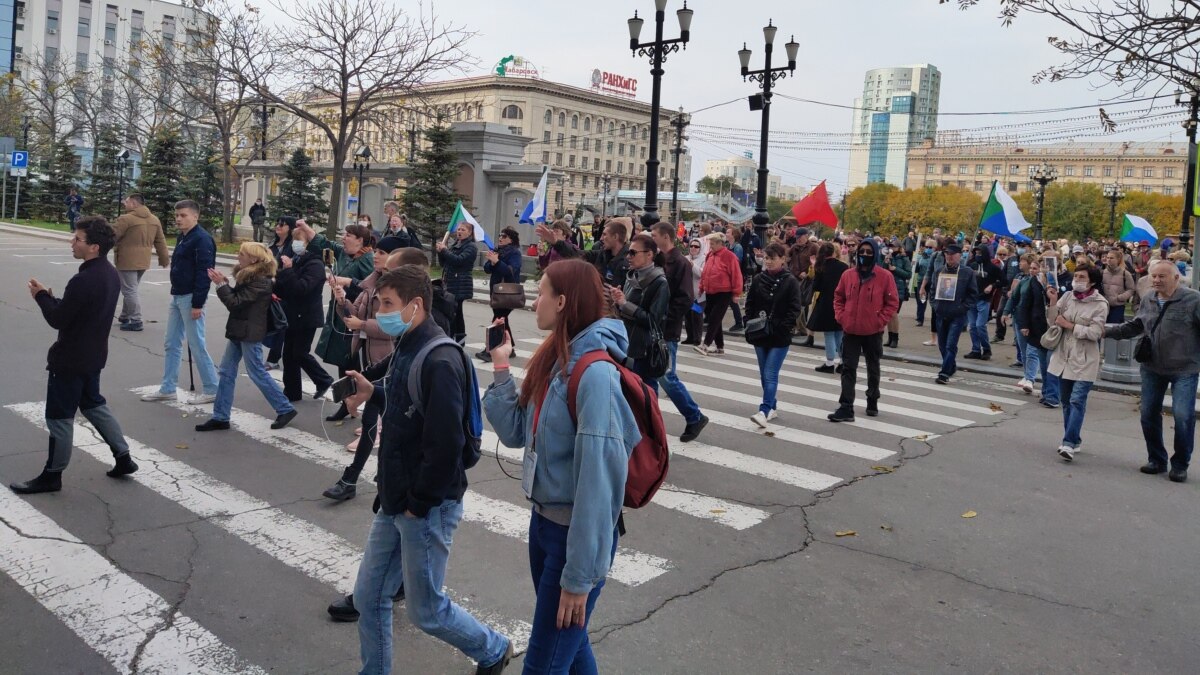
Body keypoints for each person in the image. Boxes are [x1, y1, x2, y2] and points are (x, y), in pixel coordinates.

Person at [340, 267, 514, 675]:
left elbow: (446, 445)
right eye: (380, 302)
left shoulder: (439, 359)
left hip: (425, 505)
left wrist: (418, 505)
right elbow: (409, 404)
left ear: (415, 306)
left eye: (388, 304)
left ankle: (492, 649)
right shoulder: (408, 344)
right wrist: (374, 392)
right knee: (369, 597)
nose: (381, 312)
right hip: (397, 496)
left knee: (427, 610)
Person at [482, 259, 639, 675]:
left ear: (564, 301)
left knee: (543, 665)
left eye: (543, 292)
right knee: (570, 649)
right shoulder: (556, 358)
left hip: (575, 537)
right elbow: (517, 433)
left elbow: (599, 487)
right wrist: (501, 366)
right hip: (544, 527)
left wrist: (580, 577)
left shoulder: (595, 376)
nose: (535, 301)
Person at [11, 216, 139, 494]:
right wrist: (50, 296)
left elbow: (58, 319)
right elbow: (76, 312)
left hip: (69, 359)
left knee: (59, 417)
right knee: (94, 405)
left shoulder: (84, 279)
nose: (72, 242)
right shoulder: (108, 273)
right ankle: (124, 457)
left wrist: (41, 297)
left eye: (77, 239)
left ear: (93, 247)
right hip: (93, 356)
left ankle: (52, 475)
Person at [320, 238, 408, 503]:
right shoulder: (371, 284)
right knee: (375, 418)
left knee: (377, 419)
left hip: (388, 357)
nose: (377, 257)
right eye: (378, 252)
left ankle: (356, 478)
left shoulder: (398, 291)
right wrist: (342, 301)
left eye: (382, 253)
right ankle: (355, 479)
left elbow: (392, 326)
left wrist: (363, 323)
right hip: (372, 360)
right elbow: (353, 316)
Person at [1105, 260, 1200, 481]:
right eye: (1153, 276)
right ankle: (1157, 459)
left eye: (1161, 276)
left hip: (1185, 368)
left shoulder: (1193, 300)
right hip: (1152, 367)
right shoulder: (1148, 299)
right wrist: (1106, 332)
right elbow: (1136, 326)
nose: (1156, 280)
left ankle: (1180, 464)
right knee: (1148, 413)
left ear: (1176, 278)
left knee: (1183, 415)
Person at [194, 243, 297, 432]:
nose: (238, 256)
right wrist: (226, 284)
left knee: (256, 371)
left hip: (250, 332)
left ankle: (285, 408)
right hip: (240, 329)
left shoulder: (260, 280)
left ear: (254, 259)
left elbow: (235, 303)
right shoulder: (250, 276)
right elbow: (239, 300)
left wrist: (221, 285)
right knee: (226, 371)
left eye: (242, 254)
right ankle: (221, 416)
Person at [139, 200, 221, 404]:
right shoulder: (183, 237)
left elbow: (205, 273)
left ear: (196, 216)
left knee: (196, 344)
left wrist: (198, 303)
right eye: (177, 215)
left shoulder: (202, 239)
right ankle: (168, 388)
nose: (178, 219)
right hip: (177, 296)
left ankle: (212, 388)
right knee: (171, 343)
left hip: (191, 298)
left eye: (183, 215)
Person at [302, 221, 376, 421]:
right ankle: (347, 402)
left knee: (352, 363)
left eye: (348, 236)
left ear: (360, 240)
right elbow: (323, 244)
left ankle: (360, 403)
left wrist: (346, 284)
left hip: (354, 316)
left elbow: (369, 289)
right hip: (339, 313)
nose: (343, 238)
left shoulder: (367, 259)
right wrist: (305, 226)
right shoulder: (344, 254)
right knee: (342, 362)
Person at [647, 223, 709, 441]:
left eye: (654, 235)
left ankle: (694, 415)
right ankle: (650, 423)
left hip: (666, 329)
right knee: (650, 378)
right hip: (652, 326)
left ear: (666, 237)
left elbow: (685, 298)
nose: (651, 238)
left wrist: (665, 318)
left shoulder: (679, 262)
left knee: (666, 376)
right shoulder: (658, 259)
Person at [828, 240, 900, 422]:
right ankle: (846, 407)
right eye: (862, 251)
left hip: (872, 331)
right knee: (848, 368)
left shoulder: (885, 277)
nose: (865, 255)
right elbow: (839, 296)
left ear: (875, 254)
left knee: (873, 367)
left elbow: (892, 302)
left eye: (869, 252)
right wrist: (841, 316)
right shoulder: (848, 275)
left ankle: (872, 399)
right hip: (851, 329)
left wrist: (879, 321)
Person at [1045, 262, 1108, 462]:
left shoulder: (1100, 304)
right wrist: (1053, 302)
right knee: (1066, 402)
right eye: (1076, 276)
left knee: (1076, 400)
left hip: (1085, 359)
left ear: (1092, 282)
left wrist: (1070, 325)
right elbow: (1053, 321)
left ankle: (1069, 443)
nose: (1077, 280)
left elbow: (1096, 333)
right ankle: (1074, 438)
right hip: (1064, 356)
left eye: (1082, 277)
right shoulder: (1068, 296)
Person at [744, 243, 804, 427]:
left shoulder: (790, 281)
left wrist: (782, 326)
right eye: (767, 258)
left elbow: (795, 308)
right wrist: (750, 320)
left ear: (783, 259)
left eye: (773, 258)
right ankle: (772, 407)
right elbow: (750, 302)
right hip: (760, 333)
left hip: (779, 335)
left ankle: (764, 410)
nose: (768, 262)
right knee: (764, 374)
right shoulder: (758, 279)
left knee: (770, 374)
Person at [273, 222, 334, 403]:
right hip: (292, 314)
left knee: (300, 352)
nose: (295, 244)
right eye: (293, 241)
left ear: (307, 243)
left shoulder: (314, 263)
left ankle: (324, 379)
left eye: (298, 241)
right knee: (288, 355)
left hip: (307, 316)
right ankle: (292, 392)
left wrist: (289, 271)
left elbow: (301, 288)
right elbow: (287, 288)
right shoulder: (295, 260)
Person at [611, 233, 669, 378]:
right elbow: (623, 309)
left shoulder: (659, 282)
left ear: (649, 254)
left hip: (643, 350)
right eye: (628, 252)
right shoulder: (632, 275)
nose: (628, 257)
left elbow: (653, 320)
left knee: (645, 393)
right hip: (625, 344)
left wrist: (625, 304)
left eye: (633, 253)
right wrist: (617, 301)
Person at [112, 192, 170, 332]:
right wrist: (164, 258)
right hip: (143, 261)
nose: (124, 204)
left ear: (134, 203)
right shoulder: (154, 219)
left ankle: (136, 320)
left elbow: (112, 236)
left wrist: (97, 249)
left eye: (126, 202)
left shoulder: (125, 219)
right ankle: (125, 316)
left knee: (129, 290)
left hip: (126, 260)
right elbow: (160, 241)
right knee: (131, 288)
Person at [930, 244, 979, 385]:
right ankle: (950, 365)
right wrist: (935, 305)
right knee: (942, 344)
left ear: (959, 255)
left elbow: (973, 294)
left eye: (952, 254)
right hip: (941, 313)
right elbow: (932, 290)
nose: (949, 256)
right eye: (947, 254)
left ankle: (944, 373)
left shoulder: (967, 272)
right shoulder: (939, 271)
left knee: (951, 344)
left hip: (957, 315)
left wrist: (963, 308)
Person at [1016, 257, 1061, 406]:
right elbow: (1025, 304)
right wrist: (1024, 324)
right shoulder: (1034, 282)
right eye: (1042, 265)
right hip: (1039, 327)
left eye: (1047, 265)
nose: (1044, 268)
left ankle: (1053, 394)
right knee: (1043, 362)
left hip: (1057, 327)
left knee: (1052, 362)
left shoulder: (1062, 280)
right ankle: (1047, 392)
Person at [478, 227, 523, 362]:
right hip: (497, 291)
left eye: (504, 236)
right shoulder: (497, 251)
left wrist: (497, 262)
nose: (500, 238)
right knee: (503, 320)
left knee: (497, 320)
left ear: (511, 239)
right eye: (500, 235)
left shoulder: (515, 253)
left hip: (508, 292)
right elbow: (486, 269)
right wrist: (492, 262)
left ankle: (490, 350)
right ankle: (511, 348)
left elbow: (510, 271)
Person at [695, 232, 743, 356]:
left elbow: (736, 275)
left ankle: (706, 344)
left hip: (724, 292)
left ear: (720, 243)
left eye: (712, 243)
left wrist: (736, 293)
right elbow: (705, 272)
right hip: (710, 290)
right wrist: (702, 287)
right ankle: (720, 346)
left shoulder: (729, 256)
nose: (710, 246)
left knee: (714, 319)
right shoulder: (710, 255)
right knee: (714, 319)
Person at [436, 220, 479, 345]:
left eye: (463, 230)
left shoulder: (471, 246)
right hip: (450, 282)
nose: (459, 232)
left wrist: (445, 251)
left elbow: (459, 261)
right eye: (459, 229)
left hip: (460, 283)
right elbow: (445, 263)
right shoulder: (456, 244)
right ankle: (452, 337)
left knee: (457, 313)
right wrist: (441, 253)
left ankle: (459, 340)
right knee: (452, 313)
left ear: (470, 233)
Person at [809, 241, 849, 373]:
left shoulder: (821, 267)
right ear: (834, 252)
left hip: (826, 302)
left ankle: (830, 362)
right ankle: (843, 362)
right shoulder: (844, 266)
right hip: (841, 302)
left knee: (829, 333)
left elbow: (816, 287)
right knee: (839, 333)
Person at [965, 244, 1003, 361]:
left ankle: (986, 349)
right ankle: (976, 349)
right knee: (972, 326)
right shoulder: (972, 266)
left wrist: (992, 285)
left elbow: (1003, 280)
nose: (978, 256)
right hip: (972, 300)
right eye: (976, 253)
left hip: (984, 300)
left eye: (980, 254)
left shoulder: (992, 268)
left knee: (980, 325)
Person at [883, 241, 911, 348]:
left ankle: (895, 338)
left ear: (899, 248)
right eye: (890, 247)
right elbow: (882, 271)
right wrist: (885, 262)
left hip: (899, 289)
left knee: (893, 314)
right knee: (889, 315)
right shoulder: (888, 257)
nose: (892, 249)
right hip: (888, 288)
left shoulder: (904, 259)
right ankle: (890, 338)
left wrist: (896, 269)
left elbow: (908, 274)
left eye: (894, 247)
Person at [1101, 248, 1137, 323]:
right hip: (1103, 305)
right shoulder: (1102, 272)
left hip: (1118, 306)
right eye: (1107, 257)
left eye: (1111, 258)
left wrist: (1120, 297)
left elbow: (1131, 289)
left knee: (1114, 327)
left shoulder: (1125, 273)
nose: (1108, 259)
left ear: (1118, 259)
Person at [683, 238, 705, 345]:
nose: (693, 248)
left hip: (699, 294)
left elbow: (702, 274)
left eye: (696, 247)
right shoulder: (685, 258)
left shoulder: (703, 259)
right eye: (691, 246)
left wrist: (692, 265)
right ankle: (690, 337)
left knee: (697, 315)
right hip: (687, 293)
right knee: (688, 315)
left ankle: (697, 338)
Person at [912, 239, 935, 328]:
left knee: (933, 302)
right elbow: (916, 270)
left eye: (930, 247)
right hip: (921, 281)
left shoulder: (936, 257)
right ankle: (920, 319)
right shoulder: (920, 257)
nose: (928, 249)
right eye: (927, 247)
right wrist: (915, 265)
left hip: (933, 282)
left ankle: (935, 320)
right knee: (921, 301)